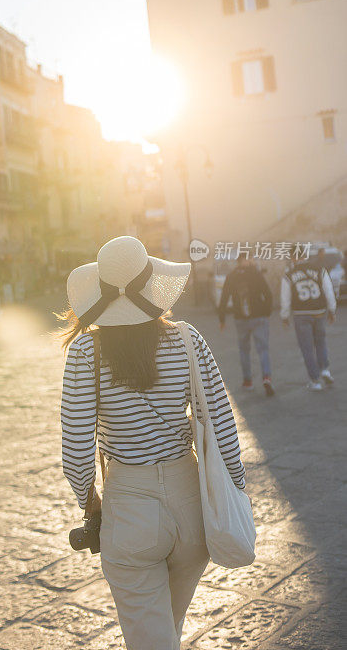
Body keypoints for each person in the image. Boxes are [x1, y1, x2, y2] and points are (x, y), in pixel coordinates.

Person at [60, 236, 247, 650]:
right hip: (191, 503)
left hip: (128, 508)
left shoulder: (85, 353)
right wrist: (234, 487)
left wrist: (90, 505)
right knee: (165, 634)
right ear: (152, 287)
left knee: (152, 639)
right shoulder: (186, 339)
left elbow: (76, 455)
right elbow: (220, 424)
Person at [218, 254, 274, 396]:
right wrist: (267, 312)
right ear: (247, 260)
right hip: (259, 317)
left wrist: (222, 319)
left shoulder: (231, 276)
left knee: (244, 350)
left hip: (240, 319)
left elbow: (224, 297)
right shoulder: (256, 273)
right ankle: (266, 377)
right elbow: (268, 293)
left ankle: (248, 381)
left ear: (238, 262)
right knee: (263, 349)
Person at [281, 249, 336, 390]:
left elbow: (285, 298)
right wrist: (332, 310)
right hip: (319, 312)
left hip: (301, 314)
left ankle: (315, 380)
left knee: (307, 348)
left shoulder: (289, 275)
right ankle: (325, 369)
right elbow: (329, 290)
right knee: (321, 341)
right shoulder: (320, 270)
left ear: (293, 257)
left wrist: (285, 316)